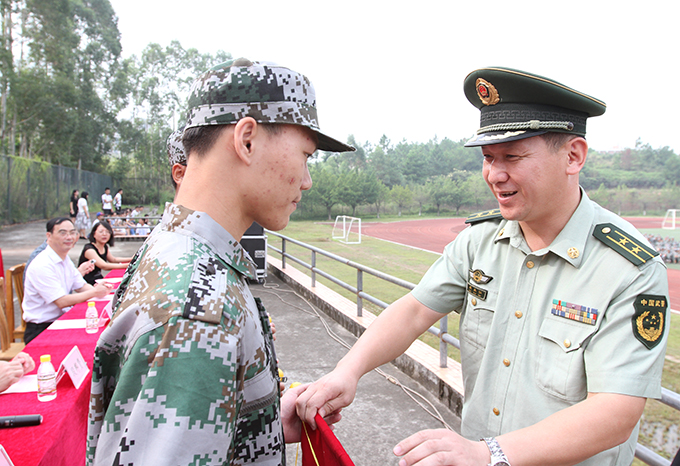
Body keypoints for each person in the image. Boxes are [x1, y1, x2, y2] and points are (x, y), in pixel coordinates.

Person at [297, 67, 670, 466]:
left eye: (513, 156)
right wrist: (347, 371)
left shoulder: (628, 268)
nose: (495, 174)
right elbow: (415, 310)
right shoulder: (480, 242)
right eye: (488, 158)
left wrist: (488, 453)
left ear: (573, 156)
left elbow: (615, 413)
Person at [87, 58, 354, 465]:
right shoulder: (198, 307)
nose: (306, 180)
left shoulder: (176, 250)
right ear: (246, 140)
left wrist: (260, 422)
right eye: (305, 155)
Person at [22, 217, 113, 344]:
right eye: (63, 233)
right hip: (42, 328)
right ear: (49, 236)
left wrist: (102, 290)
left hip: (62, 319)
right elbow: (61, 301)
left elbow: (81, 286)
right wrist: (94, 292)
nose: (69, 237)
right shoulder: (42, 264)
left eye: (72, 232)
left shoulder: (65, 259)